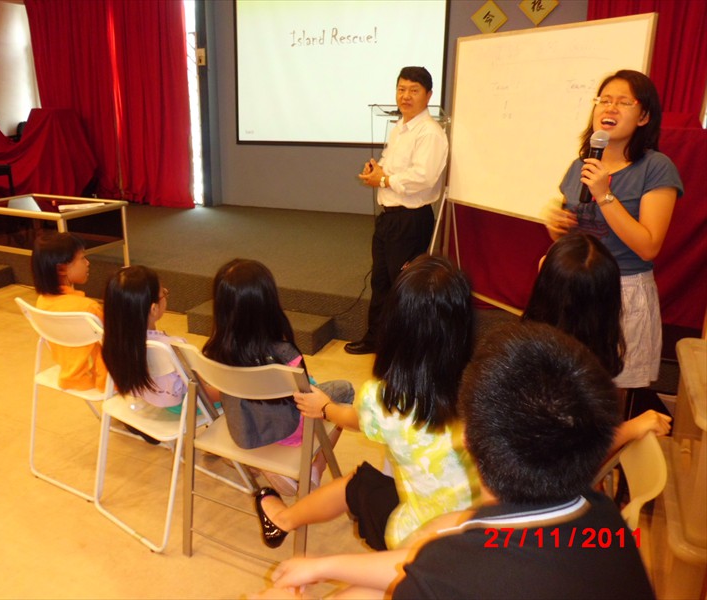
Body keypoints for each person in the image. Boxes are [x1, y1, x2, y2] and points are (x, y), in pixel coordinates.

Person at [265, 323, 655, 599]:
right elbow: (420, 563)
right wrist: (323, 566)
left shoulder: (452, 576)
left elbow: (431, 573)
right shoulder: (604, 519)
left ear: (467, 440)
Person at [255, 255, 478, 551]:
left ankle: (282, 519)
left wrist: (325, 407)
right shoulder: (488, 383)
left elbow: (355, 420)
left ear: (396, 325)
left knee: (357, 483)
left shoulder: (385, 399)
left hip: (423, 542)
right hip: (484, 529)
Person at [545, 69, 683, 392]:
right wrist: (556, 226)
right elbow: (576, 237)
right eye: (604, 100)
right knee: (565, 387)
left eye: (623, 102)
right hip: (575, 288)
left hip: (623, 291)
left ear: (644, 117)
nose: (610, 108)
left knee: (609, 394)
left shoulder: (656, 167)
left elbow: (648, 246)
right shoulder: (580, 165)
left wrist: (604, 194)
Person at [202, 258, 355, 497]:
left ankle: (254, 462)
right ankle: (316, 467)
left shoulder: (213, 352)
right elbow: (306, 398)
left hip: (243, 429)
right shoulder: (284, 354)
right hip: (288, 431)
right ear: (268, 302)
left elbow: (213, 393)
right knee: (344, 390)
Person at [523, 232, 671, 455]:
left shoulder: (529, 342)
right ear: (609, 303)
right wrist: (631, 428)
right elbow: (563, 455)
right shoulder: (561, 369)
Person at [345, 66, 448, 355]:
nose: (405, 96)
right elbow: (391, 166)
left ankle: (402, 350)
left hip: (411, 220)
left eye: (414, 90)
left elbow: (423, 178)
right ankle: (376, 339)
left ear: (428, 96)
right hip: (389, 218)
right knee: (381, 282)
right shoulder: (400, 127)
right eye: (401, 89)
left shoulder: (430, 133)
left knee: (404, 288)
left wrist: (384, 179)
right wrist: (377, 170)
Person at [101, 265, 191, 445]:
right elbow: (197, 390)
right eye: (163, 293)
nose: (165, 294)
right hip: (176, 408)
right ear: (153, 309)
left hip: (140, 400)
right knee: (230, 390)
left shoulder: (115, 340)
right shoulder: (172, 347)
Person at [31, 232, 107, 392]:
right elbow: (113, 344)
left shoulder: (42, 302)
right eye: (82, 258)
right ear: (62, 269)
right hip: (101, 380)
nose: (87, 263)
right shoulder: (88, 308)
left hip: (68, 372)